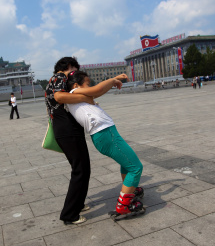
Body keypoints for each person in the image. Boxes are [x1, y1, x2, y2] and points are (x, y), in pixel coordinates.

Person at [66, 71, 145, 220]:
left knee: (127, 164)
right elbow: (97, 90)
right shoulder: (74, 91)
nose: (90, 86)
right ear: (76, 85)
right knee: (136, 167)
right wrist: (114, 79)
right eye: (87, 83)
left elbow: (96, 92)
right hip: (105, 133)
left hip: (106, 133)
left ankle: (129, 191)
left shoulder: (76, 97)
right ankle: (124, 206)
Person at [45, 57, 95, 225]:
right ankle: (69, 214)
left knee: (82, 168)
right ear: (67, 66)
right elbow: (60, 97)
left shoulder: (53, 80)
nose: (74, 73)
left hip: (66, 129)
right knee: (80, 169)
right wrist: (85, 98)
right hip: (67, 130)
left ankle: (78, 204)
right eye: (73, 69)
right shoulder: (59, 77)